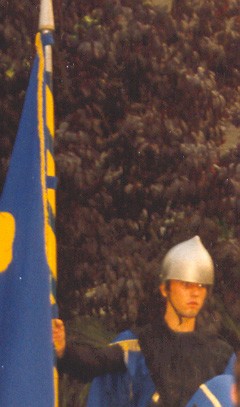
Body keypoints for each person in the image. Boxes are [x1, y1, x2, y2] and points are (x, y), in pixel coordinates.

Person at [53, 236, 234, 407]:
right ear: (165, 289)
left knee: (225, 386)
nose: (195, 293)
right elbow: (96, 362)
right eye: (186, 285)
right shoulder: (139, 344)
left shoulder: (221, 354)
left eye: (201, 286)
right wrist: (63, 350)